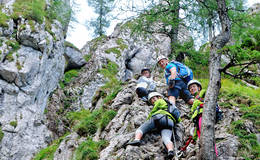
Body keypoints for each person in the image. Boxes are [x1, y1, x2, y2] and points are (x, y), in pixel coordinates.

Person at [126, 92, 181, 158]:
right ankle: (170, 150)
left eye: (154, 98)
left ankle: (137, 140)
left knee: (141, 129)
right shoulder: (171, 105)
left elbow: (153, 111)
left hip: (159, 117)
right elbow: (178, 119)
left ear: (159, 97)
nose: (153, 100)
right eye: (152, 99)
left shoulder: (160, 101)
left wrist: (148, 119)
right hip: (169, 122)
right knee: (166, 138)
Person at [187, 80, 218, 156]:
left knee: (206, 136)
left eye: (194, 86)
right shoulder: (195, 101)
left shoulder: (204, 92)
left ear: (199, 88)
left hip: (204, 114)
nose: (192, 88)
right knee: (202, 138)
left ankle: (214, 154)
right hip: (198, 119)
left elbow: (211, 98)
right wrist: (194, 138)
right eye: (190, 88)